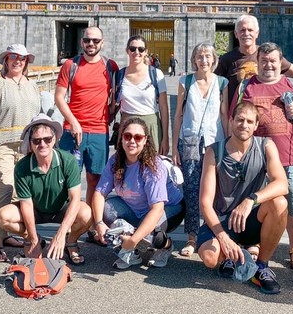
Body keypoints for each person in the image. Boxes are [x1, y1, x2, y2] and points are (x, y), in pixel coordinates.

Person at [234, 42, 293, 272]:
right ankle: (256, 243)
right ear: (257, 62)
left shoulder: (292, 85)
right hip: (257, 158)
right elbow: (236, 119)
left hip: (291, 156)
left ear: (281, 63)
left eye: (273, 61)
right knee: (260, 201)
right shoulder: (247, 86)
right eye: (264, 60)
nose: (268, 65)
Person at [197, 102, 289, 295]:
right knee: (209, 258)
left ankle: (262, 267)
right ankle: (229, 256)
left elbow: (282, 184)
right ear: (231, 121)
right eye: (239, 119)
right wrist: (223, 238)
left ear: (256, 125)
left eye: (249, 121)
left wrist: (251, 200)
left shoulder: (266, 146)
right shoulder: (214, 151)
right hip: (224, 220)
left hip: (250, 217)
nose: (244, 125)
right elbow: (205, 203)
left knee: (280, 202)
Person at [0, 43, 42, 263]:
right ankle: (6, 242)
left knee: (15, 191)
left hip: (26, 146)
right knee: (8, 186)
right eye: (13, 57)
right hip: (1, 145)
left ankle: (3, 237)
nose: (18, 61)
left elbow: (37, 118)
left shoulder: (33, 86)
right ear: (6, 60)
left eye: (22, 58)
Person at [0, 114, 92, 265]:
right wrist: (33, 239)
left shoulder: (68, 160)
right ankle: (33, 239)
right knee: (2, 216)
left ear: (54, 140)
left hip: (61, 208)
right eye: (37, 140)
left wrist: (61, 234)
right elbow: (26, 205)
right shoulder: (22, 167)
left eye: (47, 139)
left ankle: (70, 242)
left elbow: (75, 199)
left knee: (86, 213)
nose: (42, 144)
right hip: (35, 209)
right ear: (30, 143)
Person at [92, 116, 185, 269]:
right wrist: (99, 224)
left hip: (171, 208)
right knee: (105, 209)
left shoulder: (153, 166)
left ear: (145, 140)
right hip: (135, 209)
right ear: (121, 138)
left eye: (138, 137)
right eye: (127, 136)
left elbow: (157, 209)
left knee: (148, 234)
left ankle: (166, 246)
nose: (132, 141)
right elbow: (99, 193)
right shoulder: (115, 160)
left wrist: (134, 239)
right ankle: (132, 253)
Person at [171, 42, 228, 257]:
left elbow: (224, 115)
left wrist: (230, 143)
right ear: (194, 60)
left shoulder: (222, 83)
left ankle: (214, 233)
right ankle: (192, 236)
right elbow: (178, 115)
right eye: (200, 56)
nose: (203, 60)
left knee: (216, 190)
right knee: (192, 189)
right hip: (190, 139)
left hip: (215, 141)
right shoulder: (185, 81)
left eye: (207, 56)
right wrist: (175, 146)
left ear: (214, 60)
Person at [55, 27, 119, 210]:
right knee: (69, 178)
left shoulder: (110, 66)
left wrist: (112, 114)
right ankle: (70, 221)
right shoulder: (70, 65)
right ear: (82, 42)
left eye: (96, 41)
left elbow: (116, 96)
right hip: (72, 131)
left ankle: (91, 222)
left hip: (99, 131)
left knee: (95, 179)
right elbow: (59, 97)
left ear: (102, 43)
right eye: (87, 40)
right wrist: (73, 121)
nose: (91, 44)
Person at [215, 14, 293, 101]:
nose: (246, 33)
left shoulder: (267, 55)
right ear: (236, 34)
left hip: (264, 112)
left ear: (257, 33)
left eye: (250, 30)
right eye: (242, 30)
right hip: (239, 117)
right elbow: (213, 84)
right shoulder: (226, 59)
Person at [116, 35, 169, 155]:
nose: (136, 52)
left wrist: (165, 138)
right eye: (132, 48)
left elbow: (164, 108)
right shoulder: (119, 75)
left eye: (141, 49)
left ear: (146, 52)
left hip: (151, 125)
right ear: (127, 50)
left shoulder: (156, 74)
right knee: (127, 168)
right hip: (127, 125)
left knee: (151, 167)